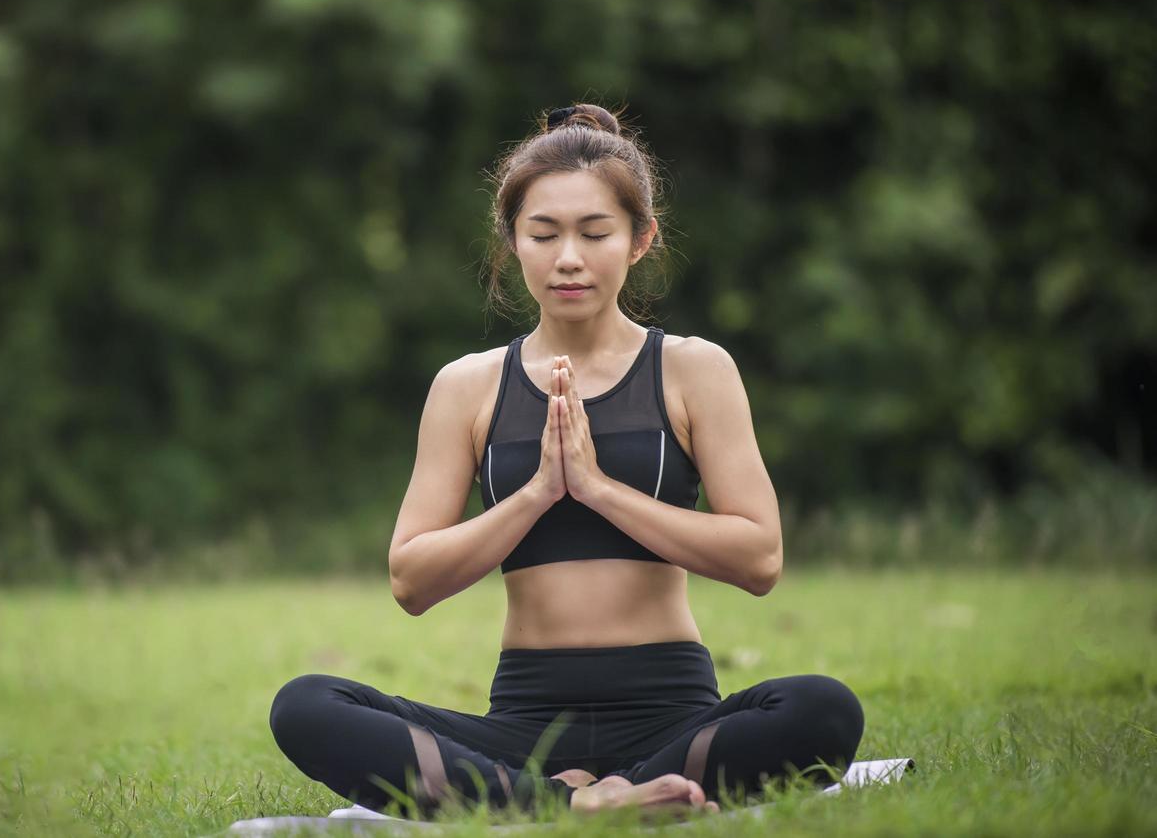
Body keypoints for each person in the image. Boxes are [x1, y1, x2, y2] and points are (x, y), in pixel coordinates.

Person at [268, 103, 864, 820]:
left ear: (639, 239)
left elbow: (759, 558)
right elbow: (411, 579)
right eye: (543, 234)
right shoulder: (467, 387)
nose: (568, 258)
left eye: (594, 232)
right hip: (523, 720)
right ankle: (570, 803)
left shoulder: (691, 370)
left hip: (670, 712)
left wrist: (600, 490)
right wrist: (535, 495)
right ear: (512, 242)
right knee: (305, 705)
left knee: (820, 708)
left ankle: (579, 795)